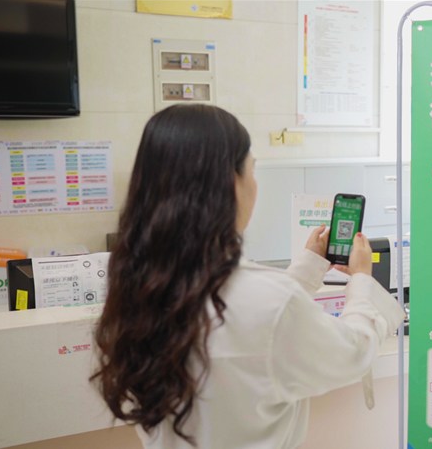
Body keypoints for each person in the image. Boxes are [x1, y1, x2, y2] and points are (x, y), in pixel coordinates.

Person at [90, 104, 405, 449]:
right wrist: (362, 280)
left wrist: (310, 265)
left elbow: (258, 325)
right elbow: (351, 353)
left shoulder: (139, 286)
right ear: (231, 183)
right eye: (252, 169)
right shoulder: (266, 300)